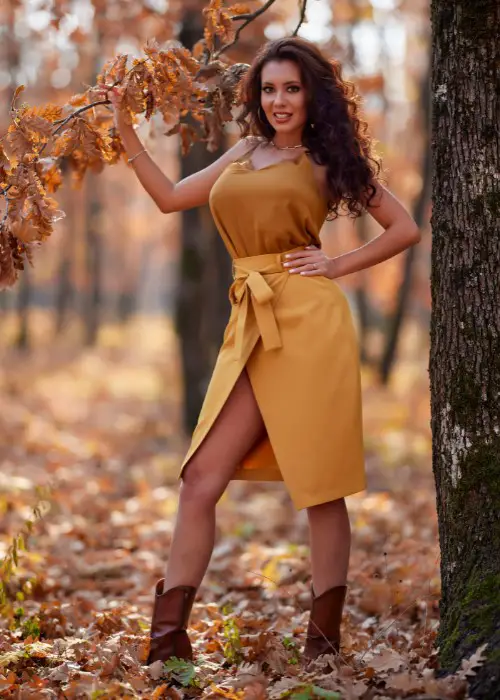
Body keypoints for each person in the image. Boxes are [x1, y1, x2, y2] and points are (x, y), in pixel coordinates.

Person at [100, 35, 420, 666]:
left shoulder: (330, 157)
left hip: (309, 322)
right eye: (269, 88)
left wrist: (337, 265)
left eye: (292, 89)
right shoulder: (244, 151)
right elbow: (169, 197)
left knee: (319, 486)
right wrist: (122, 126)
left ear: (312, 95)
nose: (279, 100)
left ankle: (322, 651)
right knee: (199, 480)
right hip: (249, 319)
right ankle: (166, 650)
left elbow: (405, 226)